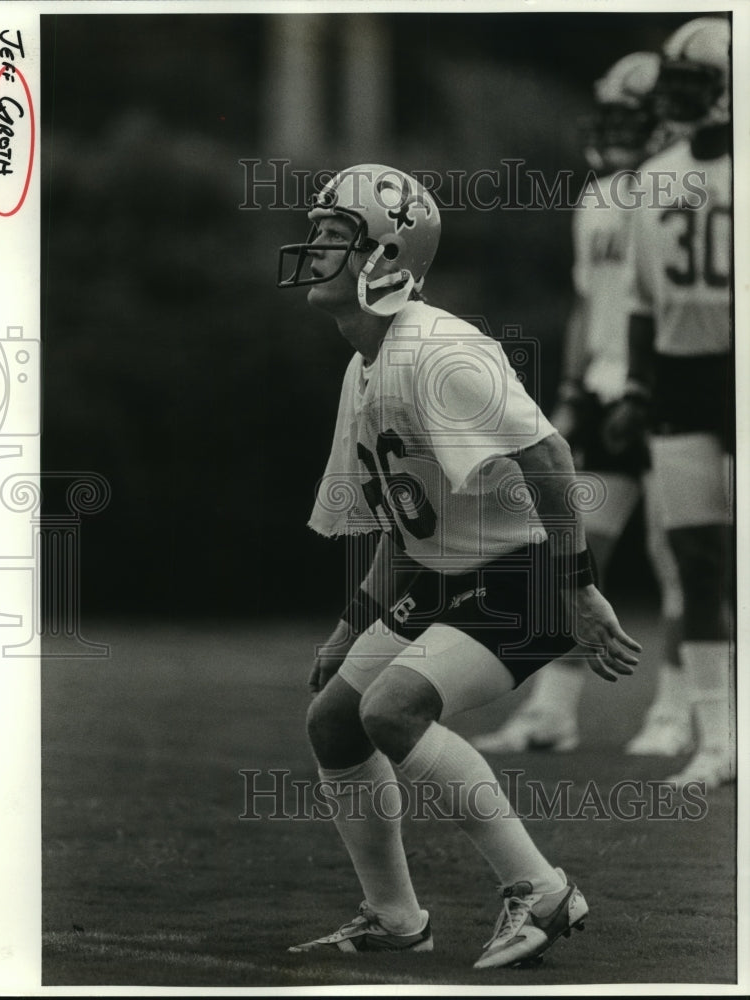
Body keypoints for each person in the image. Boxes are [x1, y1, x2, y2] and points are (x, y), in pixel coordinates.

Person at [276, 164, 641, 968]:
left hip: (525, 575)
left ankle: (540, 889)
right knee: (334, 719)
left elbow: (549, 456)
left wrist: (577, 589)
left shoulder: (437, 351)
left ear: (387, 256)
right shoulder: (365, 360)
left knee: (392, 712)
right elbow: (402, 525)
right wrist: (351, 624)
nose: (315, 248)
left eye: (336, 235)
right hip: (452, 578)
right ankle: (395, 916)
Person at [472, 52, 690, 759]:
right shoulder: (597, 196)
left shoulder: (688, 190)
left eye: (630, 115)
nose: (616, 128)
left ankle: (676, 709)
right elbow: (585, 302)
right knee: (574, 556)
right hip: (600, 389)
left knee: (678, 557)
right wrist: (567, 390)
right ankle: (552, 712)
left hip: (666, 389)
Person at [605, 17, 734, 789]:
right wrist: (635, 386)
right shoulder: (654, 177)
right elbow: (641, 304)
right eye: (675, 85)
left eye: (694, 83)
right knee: (696, 559)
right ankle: (716, 736)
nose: (680, 99)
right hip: (683, 379)